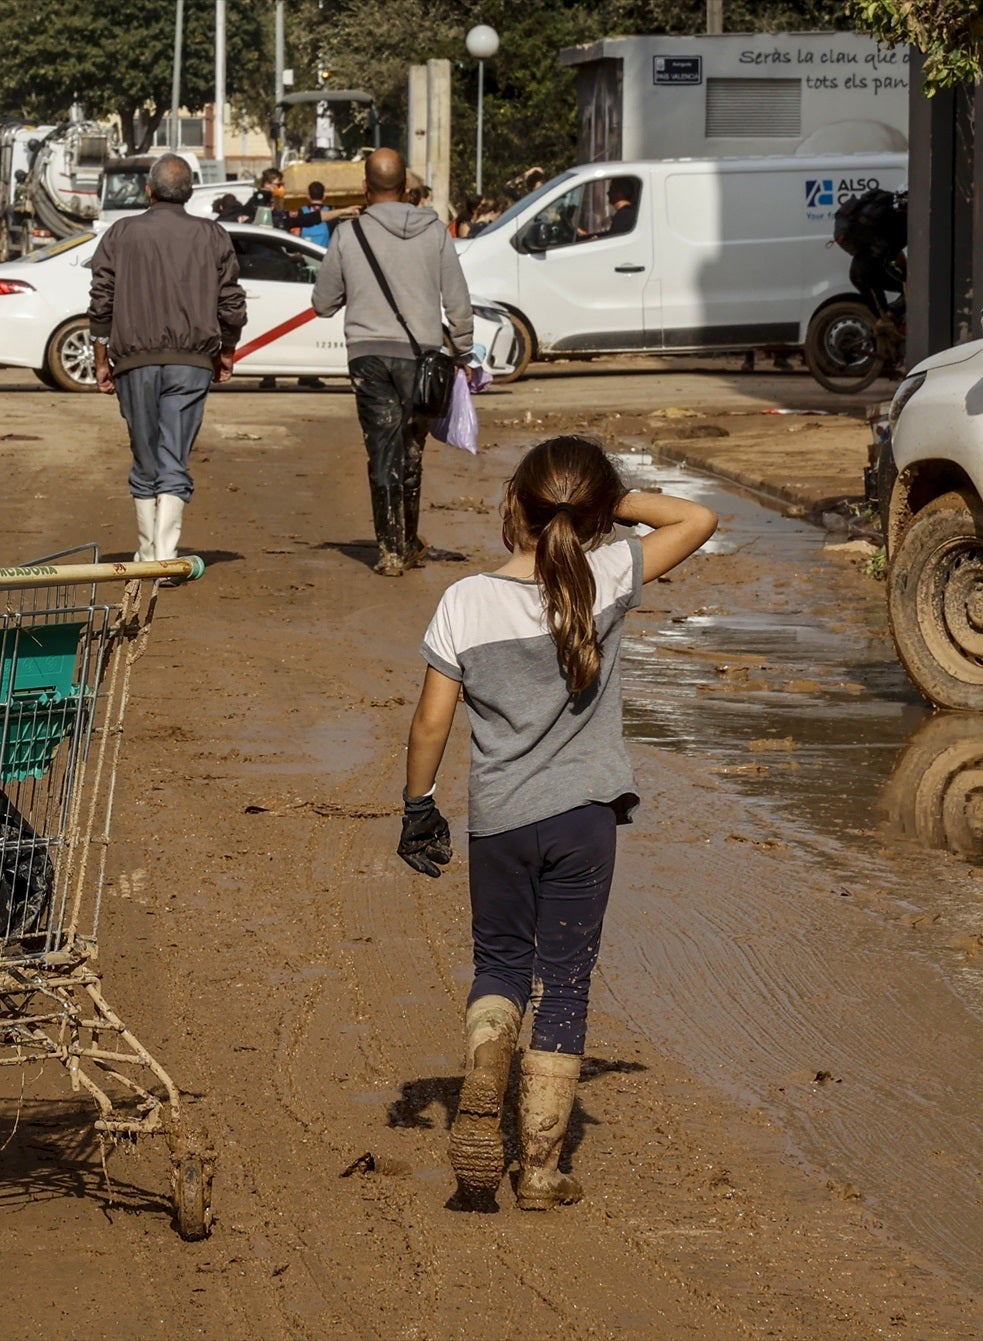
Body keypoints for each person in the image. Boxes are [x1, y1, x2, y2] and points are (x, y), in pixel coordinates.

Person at [399, 436, 717, 1209]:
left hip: (499, 822)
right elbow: (699, 517)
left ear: (515, 506)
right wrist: (609, 501)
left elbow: (429, 725)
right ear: (593, 514)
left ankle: (485, 1061)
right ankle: (540, 1168)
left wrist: (418, 806)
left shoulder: (465, 601)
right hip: (584, 823)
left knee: (501, 963)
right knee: (566, 982)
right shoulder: (609, 575)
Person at [310, 147, 473, 576]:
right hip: (422, 357)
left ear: (365, 187)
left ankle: (391, 551)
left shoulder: (348, 235)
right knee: (412, 449)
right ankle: (407, 539)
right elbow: (457, 300)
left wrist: (355, 290)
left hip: (368, 358)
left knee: (382, 449)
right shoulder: (436, 232)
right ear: (406, 188)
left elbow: (323, 303)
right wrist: (466, 349)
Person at [88, 154, 246, 561]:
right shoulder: (213, 236)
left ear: (149, 191)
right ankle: (163, 554)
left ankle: (147, 553)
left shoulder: (121, 233)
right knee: (174, 454)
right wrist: (227, 349)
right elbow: (231, 300)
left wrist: (101, 357)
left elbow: (101, 302)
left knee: (145, 456)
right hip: (192, 362)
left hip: (133, 362)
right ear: (190, 192)